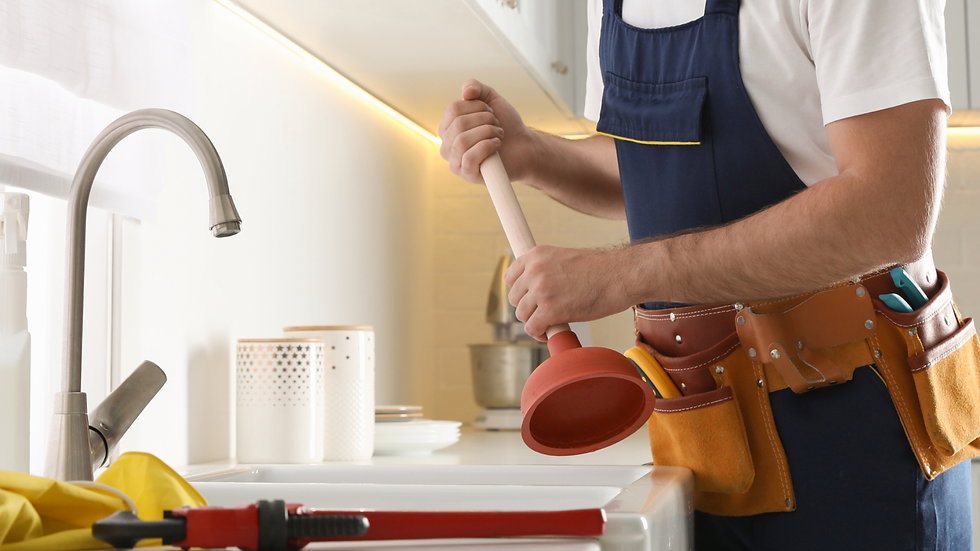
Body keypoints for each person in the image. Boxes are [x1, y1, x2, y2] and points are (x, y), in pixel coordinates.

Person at [438, 0, 974, 549]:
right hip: (706, 437)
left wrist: (628, 272)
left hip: (859, 423)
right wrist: (535, 155)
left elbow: (889, 213)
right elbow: (654, 170)